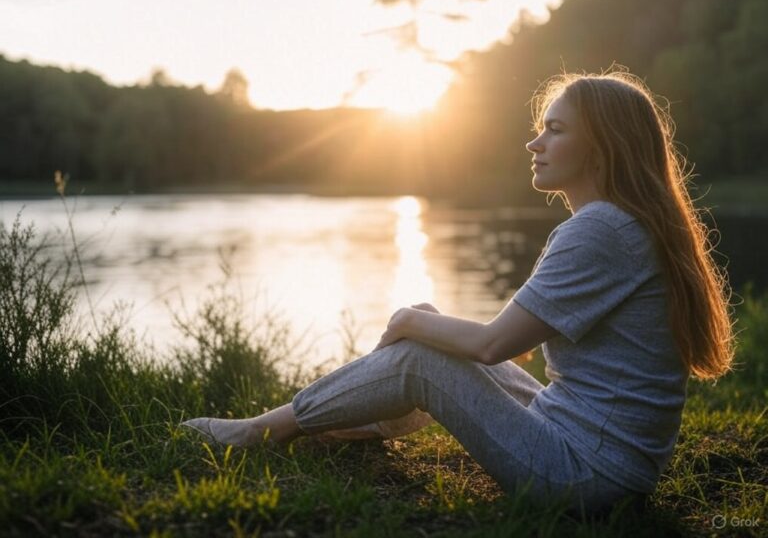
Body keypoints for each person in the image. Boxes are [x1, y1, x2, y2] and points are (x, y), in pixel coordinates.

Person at [182, 69, 733, 512]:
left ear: (603, 147)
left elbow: (493, 346)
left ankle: (262, 431)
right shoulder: (622, 224)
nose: (533, 142)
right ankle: (357, 422)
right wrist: (423, 321)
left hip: (587, 474)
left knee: (420, 351)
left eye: (556, 130)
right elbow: (508, 343)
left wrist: (405, 324)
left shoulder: (601, 229)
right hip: (583, 441)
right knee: (428, 322)